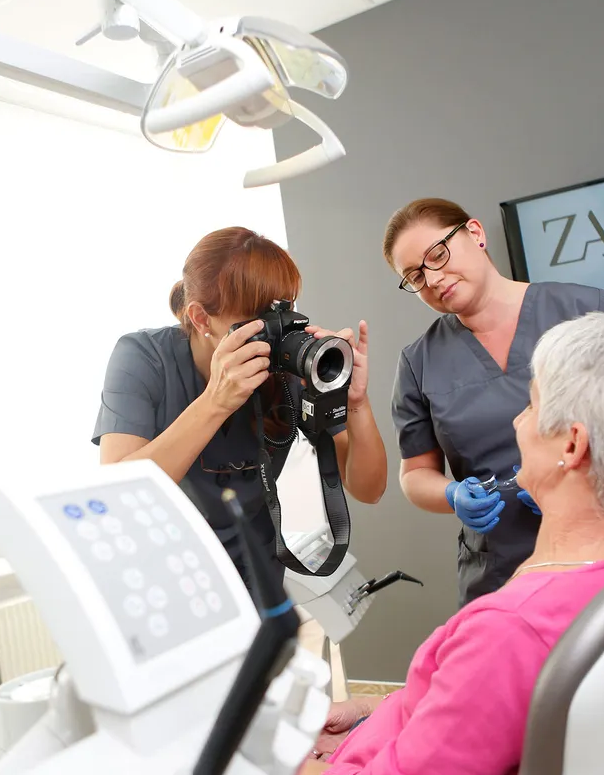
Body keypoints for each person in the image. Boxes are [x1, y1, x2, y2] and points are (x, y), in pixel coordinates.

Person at [282, 311, 604, 775]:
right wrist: (377, 712)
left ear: (572, 445)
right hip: (378, 752)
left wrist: (280, 756)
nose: (518, 422)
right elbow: (487, 712)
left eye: (531, 405)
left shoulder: (510, 631)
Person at [385, 197, 604, 607]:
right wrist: (452, 494)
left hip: (603, 551)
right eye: (415, 276)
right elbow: (415, 474)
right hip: (501, 574)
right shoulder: (419, 362)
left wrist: (582, 479)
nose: (434, 278)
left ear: (475, 233)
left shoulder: (586, 311)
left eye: (438, 255)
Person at [93, 226, 388, 590]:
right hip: (167, 575)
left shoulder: (286, 369)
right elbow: (117, 495)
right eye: (257, 319)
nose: (275, 330)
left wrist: (357, 403)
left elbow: (369, 489)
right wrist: (216, 402)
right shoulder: (143, 357)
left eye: (284, 309)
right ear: (201, 318)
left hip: (256, 576)